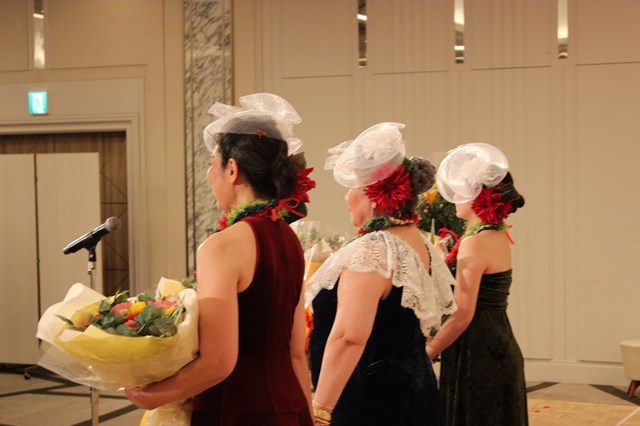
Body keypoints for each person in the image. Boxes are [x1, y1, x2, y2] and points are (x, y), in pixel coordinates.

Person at [125, 93, 316, 425]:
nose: (208, 174)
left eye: (212, 163)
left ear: (232, 169)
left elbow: (218, 362)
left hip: (237, 410)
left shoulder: (222, 246)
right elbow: (296, 350)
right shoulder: (289, 239)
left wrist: (153, 395)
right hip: (290, 406)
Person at [306, 122, 456, 426]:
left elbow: (349, 337)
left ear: (372, 194)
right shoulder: (418, 240)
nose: (346, 197)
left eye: (352, 187)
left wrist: (320, 409)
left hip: (374, 398)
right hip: (416, 386)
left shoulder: (373, 249)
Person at [425, 143, 528, 425]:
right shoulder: (495, 235)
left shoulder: (475, 241)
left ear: (477, 196)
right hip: (496, 339)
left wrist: (430, 351)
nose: (455, 197)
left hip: (479, 348)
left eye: (460, 191)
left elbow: (463, 312)